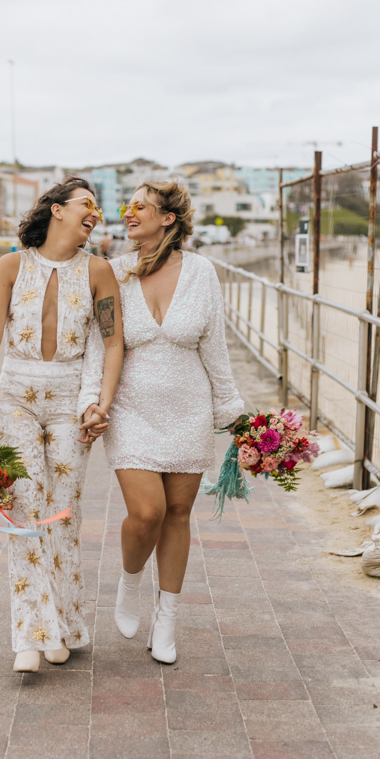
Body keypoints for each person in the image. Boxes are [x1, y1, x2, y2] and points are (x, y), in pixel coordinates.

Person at [0, 177, 123, 674]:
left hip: (70, 399)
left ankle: (66, 624)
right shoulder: (11, 265)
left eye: (98, 208)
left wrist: (102, 404)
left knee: (64, 511)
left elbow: (114, 343)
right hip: (16, 399)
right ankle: (30, 634)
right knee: (26, 510)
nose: (94, 214)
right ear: (56, 210)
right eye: (85, 205)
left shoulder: (100, 271)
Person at [94, 180, 244, 664]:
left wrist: (232, 413)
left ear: (169, 219)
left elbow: (215, 348)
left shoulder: (202, 272)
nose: (129, 213)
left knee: (178, 514)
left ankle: (168, 619)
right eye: (128, 206)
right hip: (131, 409)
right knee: (147, 513)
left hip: (189, 409)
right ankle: (130, 582)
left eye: (141, 206)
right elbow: (98, 348)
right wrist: (92, 403)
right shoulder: (111, 273)